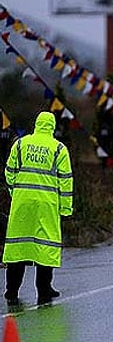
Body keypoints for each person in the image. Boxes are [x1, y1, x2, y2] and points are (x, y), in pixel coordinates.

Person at [3, 111, 73, 306]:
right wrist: (65, 209)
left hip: (22, 203)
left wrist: (15, 192)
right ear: (51, 127)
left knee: (18, 248)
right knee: (45, 246)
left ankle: (11, 290)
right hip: (47, 205)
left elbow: (9, 171)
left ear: (36, 124)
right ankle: (44, 290)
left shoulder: (20, 144)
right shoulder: (59, 149)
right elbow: (65, 182)